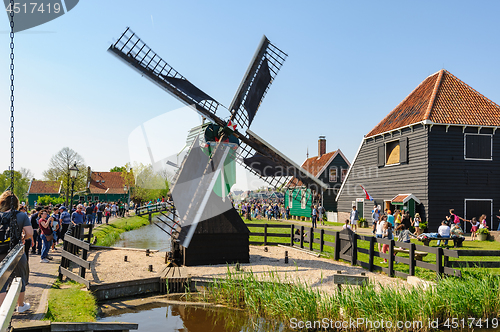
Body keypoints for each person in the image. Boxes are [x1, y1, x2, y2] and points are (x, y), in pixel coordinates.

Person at [0, 191, 33, 313]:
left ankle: (3, 310)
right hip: (15, 251)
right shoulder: (21, 216)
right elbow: (29, 233)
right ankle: (20, 305)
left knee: (1, 281)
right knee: (20, 277)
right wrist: (23, 238)